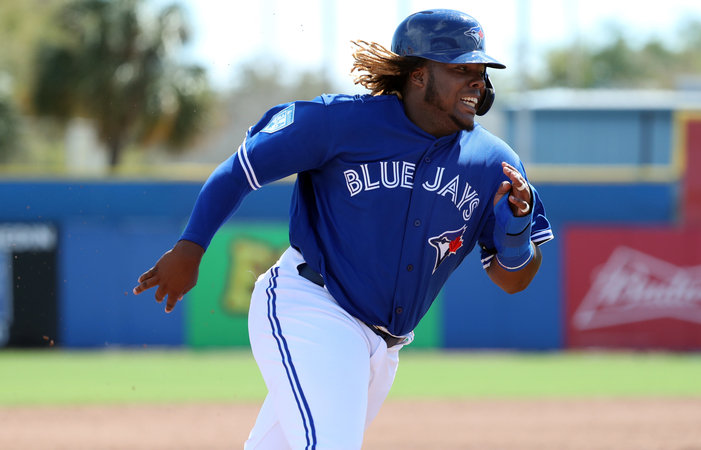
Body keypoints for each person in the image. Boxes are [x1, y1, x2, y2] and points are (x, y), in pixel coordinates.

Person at [133, 9, 553, 450]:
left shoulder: (494, 163)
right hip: (311, 308)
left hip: (382, 349)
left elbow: (513, 280)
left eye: (481, 72)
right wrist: (191, 247)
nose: (477, 82)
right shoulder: (339, 123)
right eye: (459, 69)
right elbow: (241, 170)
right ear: (416, 74)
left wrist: (515, 237)